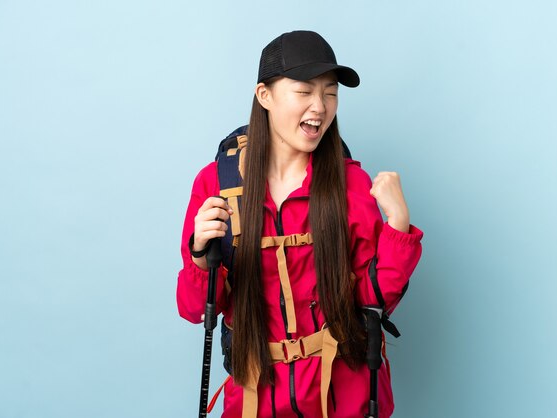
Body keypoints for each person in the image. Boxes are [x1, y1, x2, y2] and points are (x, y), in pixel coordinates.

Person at [177, 30, 423, 418]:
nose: (320, 106)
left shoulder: (351, 184)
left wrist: (399, 228)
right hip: (256, 397)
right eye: (304, 91)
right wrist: (200, 260)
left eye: (329, 92)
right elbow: (195, 311)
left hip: (342, 395)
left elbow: (375, 301)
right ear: (265, 96)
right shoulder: (217, 186)